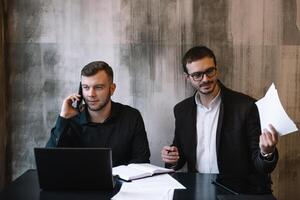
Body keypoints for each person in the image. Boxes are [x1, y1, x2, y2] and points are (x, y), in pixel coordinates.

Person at [161, 46, 279, 188]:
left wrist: (267, 153)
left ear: (216, 69)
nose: (205, 79)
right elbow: (180, 156)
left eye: (209, 71)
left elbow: (262, 166)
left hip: (237, 190)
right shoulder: (181, 110)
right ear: (188, 78)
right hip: (197, 187)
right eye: (197, 75)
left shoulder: (247, 106)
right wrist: (172, 158)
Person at [46, 61, 150, 167]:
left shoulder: (131, 116)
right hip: (79, 183)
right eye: (86, 87)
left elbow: (142, 162)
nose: (91, 94)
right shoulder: (70, 119)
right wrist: (63, 118)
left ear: (112, 89)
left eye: (98, 87)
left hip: (121, 183)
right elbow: (48, 163)